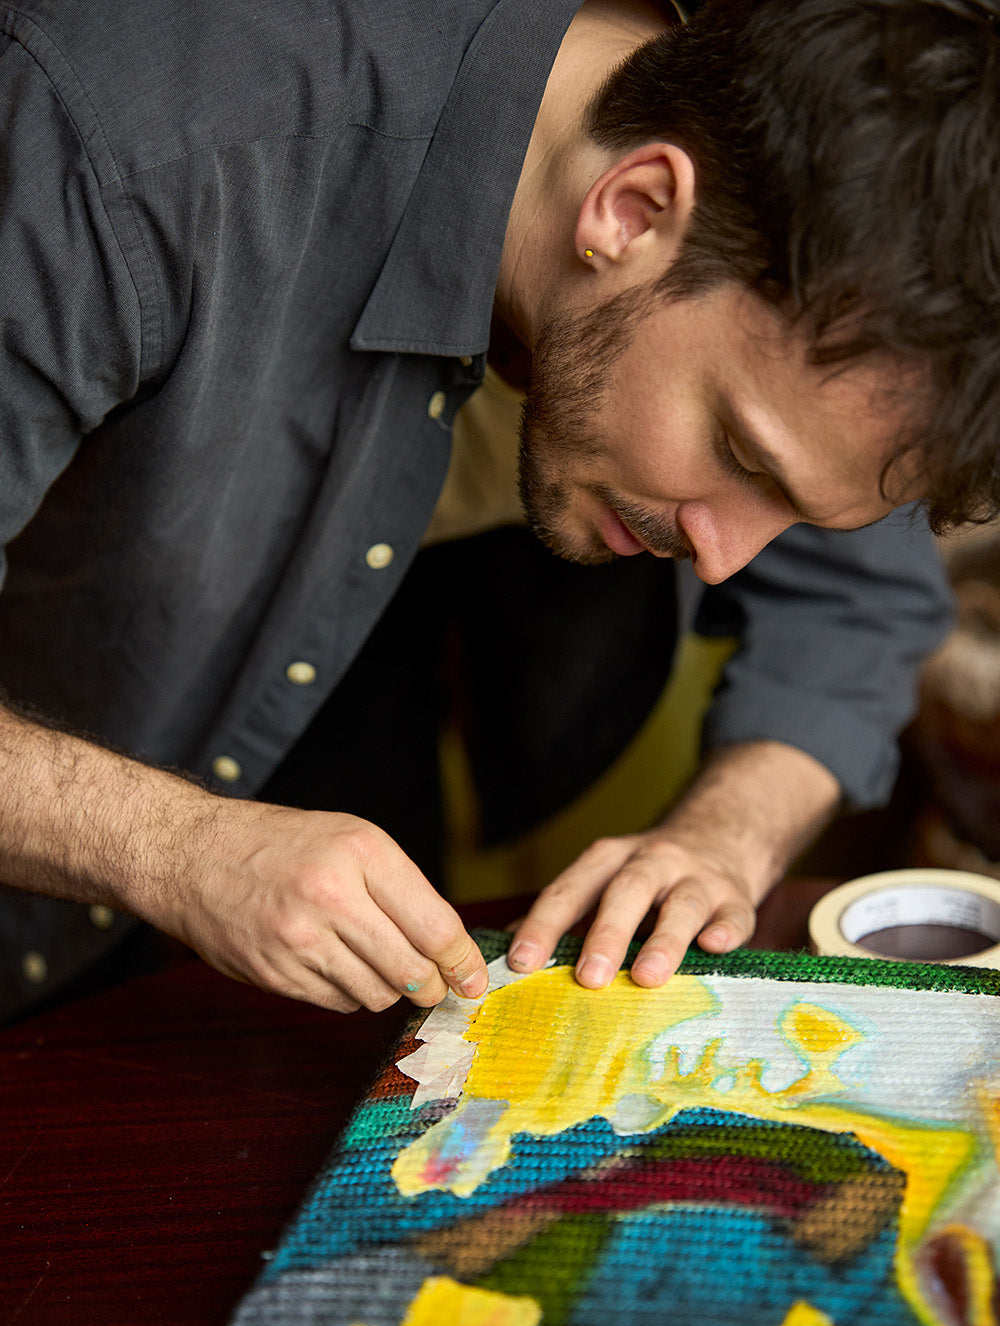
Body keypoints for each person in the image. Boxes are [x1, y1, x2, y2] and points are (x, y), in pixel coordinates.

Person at [0, 0, 993, 1024]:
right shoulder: (134, 150)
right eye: (741, 456)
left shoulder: (837, 242)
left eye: (798, 512)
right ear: (634, 210)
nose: (723, 561)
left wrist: (723, 838)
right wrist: (175, 846)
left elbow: (857, 606)